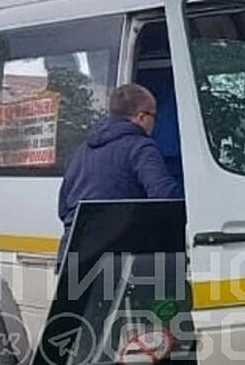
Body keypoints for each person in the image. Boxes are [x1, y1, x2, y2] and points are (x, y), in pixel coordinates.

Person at [56, 83, 182, 265]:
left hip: (72, 254)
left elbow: (63, 208)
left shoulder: (82, 149)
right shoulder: (141, 147)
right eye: (155, 116)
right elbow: (165, 198)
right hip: (116, 256)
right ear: (141, 117)